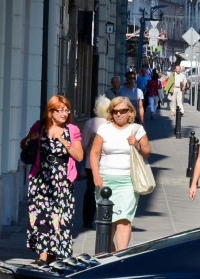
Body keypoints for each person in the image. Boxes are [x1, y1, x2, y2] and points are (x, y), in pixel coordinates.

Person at [21, 94, 84, 265]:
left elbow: (79, 156)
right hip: (40, 179)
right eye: (60, 110)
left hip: (62, 181)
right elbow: (23, 145)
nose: (64, 113)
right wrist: (29, 139)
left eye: (66, 110)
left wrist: (63, 140)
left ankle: (54, 256)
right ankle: (42, 257)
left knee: (60, 218)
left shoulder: (72, 130)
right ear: (51, 112)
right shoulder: (39, 126)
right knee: (41, 217)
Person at [88, 95, 151, 252]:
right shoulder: (104, 129)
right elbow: (94, 153)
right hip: (105, 181)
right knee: (107, 223)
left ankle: (121, 256)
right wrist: (96, 175)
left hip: (128, 182)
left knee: (123, 221)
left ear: (130, 112)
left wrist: (136, 144)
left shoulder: (137, 129)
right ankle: (111, 254)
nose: (119, 114)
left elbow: (147, 152)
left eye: (123, 111)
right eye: (115, 111)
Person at [80, 95, 110, 229]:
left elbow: (84, 144)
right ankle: (106, 217)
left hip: (90, 164)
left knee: (90, 191)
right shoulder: (111, 124)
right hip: (108, 163)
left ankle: (87, 219)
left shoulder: (90, 123)